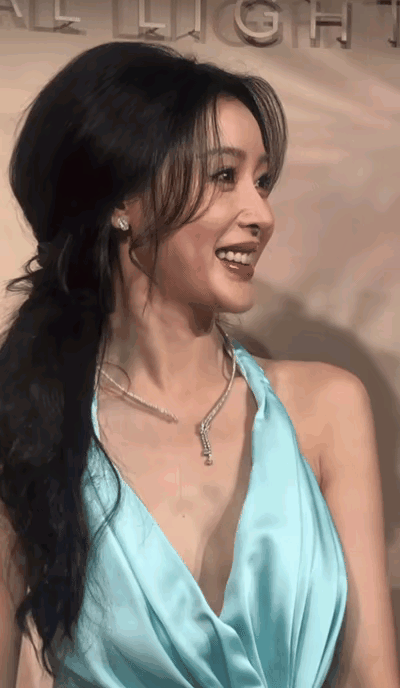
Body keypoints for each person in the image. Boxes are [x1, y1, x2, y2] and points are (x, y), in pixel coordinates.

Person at [0, 41, 398, 688]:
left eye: (262, 182)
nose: (261, 215)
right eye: (223, 177)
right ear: (121, 202)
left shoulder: (327, 408)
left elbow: (371, 674)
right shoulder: (31, 424)